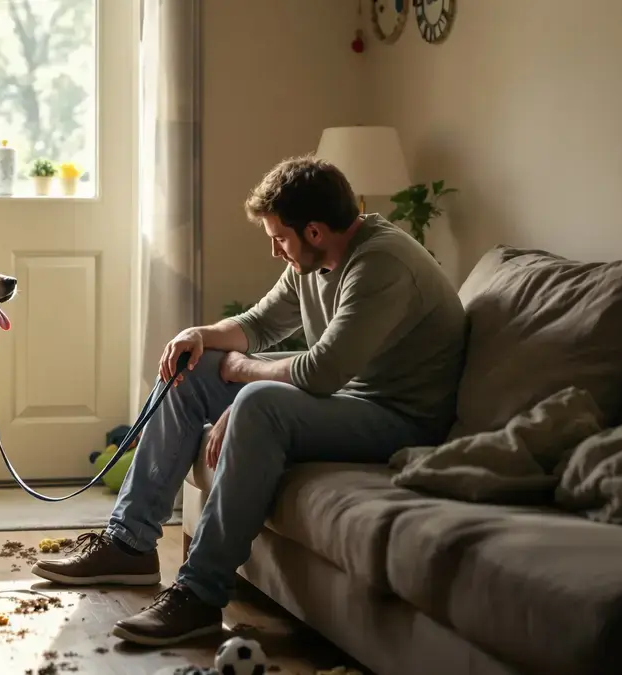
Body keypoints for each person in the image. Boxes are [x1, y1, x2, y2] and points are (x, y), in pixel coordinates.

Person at [30, 154, 467, 646]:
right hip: (348, 397)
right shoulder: (312, 260)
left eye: (280, 238)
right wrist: (200, 335)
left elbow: (320, 373)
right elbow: (259, 325)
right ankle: (129, 544)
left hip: (400, 418)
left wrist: (243, 380)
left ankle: (199, 594)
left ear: (316, 231)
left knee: (258, 400)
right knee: (191, 370)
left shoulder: (381, 265)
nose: (276, 251)